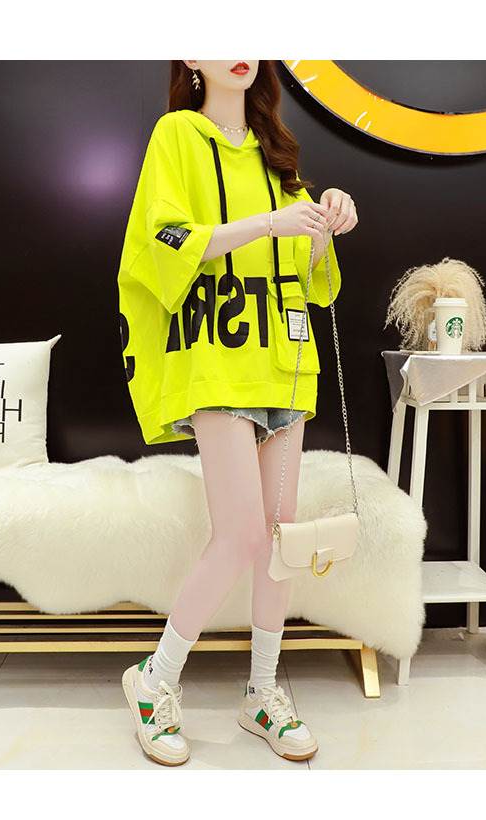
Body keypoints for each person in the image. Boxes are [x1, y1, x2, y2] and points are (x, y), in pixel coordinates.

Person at [116, 59, 358, 766]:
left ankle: (261, 691)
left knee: (280, 537)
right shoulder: (176, 135)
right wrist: (267, 223)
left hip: (285, 359)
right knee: (241, 533)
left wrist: (322, 225)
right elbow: (164, 239)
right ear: (190, 57)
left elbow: (312, 283)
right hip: (216, 358)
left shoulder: (276, 153)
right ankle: (154, 680)